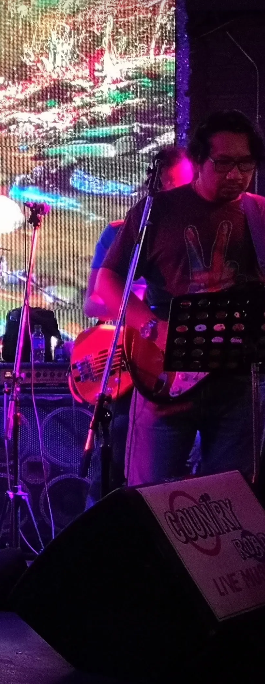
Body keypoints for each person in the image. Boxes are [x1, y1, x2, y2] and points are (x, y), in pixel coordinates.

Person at [97, 110, 264, 487]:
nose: (236, 174)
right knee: (149, 497)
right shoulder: (157, 211)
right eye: (224, 163)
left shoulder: (258, 214)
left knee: (229, 500)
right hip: (164, 377)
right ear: (199, 161)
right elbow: (108, 281)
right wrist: (154, 328)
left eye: (245, 164)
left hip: (236, 383)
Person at [81, 146, 194, 504]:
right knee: (117, 456)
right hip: (132, 361)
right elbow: (92, 302)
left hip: (179, 364)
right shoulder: (122, 231)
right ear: (159, 184)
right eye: (175, 184)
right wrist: (136, 301)